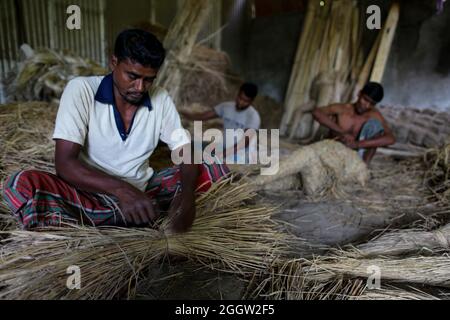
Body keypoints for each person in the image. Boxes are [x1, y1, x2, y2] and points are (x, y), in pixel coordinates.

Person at [1, 29, 229, 233]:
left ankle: (115, 219)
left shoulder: (160, 99)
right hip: (88, 195)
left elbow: (185, 151)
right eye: (132, 76)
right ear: (113, 62)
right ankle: (133, 218)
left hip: (143, 195)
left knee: (212, 167)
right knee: (21, 184)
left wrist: (186, 197)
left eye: (148, 80)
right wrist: (122, 191)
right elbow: (65, 163)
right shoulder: (81, 90)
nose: (140, 88)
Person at [312, 82, 395, 164]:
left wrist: (357, 144)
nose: (367, 106)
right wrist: (342, 132)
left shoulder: (374, 115)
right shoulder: (342, 108)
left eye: (372, 104)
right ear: (359, 93)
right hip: (332, 153)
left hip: (355, 160)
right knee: (332, 118)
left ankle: (364, 167)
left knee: (375, 126)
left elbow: (391, 139)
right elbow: (316, 112)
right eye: (365, 100)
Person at [180, 83, 261, 163]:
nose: (241, 102)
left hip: (241, 155)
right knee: (190, 145)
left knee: (208, 162)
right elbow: (201, 116)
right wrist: (180, 112)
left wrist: (220, 155)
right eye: (240, 98)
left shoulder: (253, 117)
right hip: (223, 148)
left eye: (245, 101)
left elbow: (244, 143)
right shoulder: (226, 107)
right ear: (237, 94)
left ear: (251, 101)